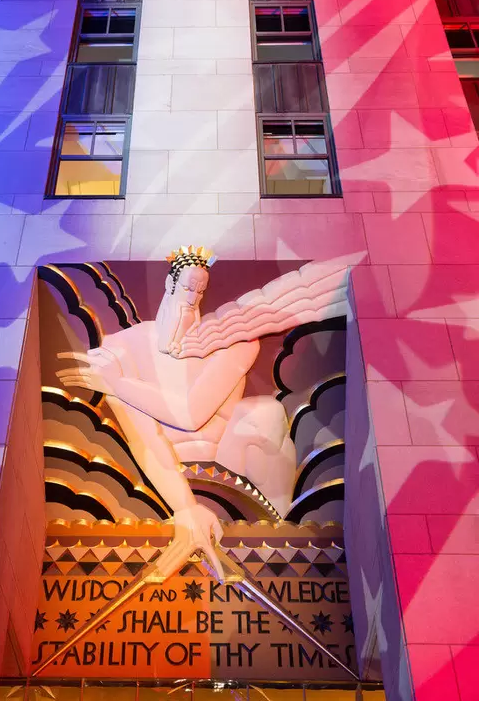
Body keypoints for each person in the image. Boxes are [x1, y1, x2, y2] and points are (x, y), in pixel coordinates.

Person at [57, 246, 348, 579]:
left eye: (199, 290)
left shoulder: (233, 341)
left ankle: (276, 539)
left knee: (264, 412)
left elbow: (191, 415)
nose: (192, 298)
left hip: (235, 471)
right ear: (170, 284)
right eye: (187, 287)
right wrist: (185, 506)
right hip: (163, 478)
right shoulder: (123, 347)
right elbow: (144, 438)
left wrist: (119, 383)